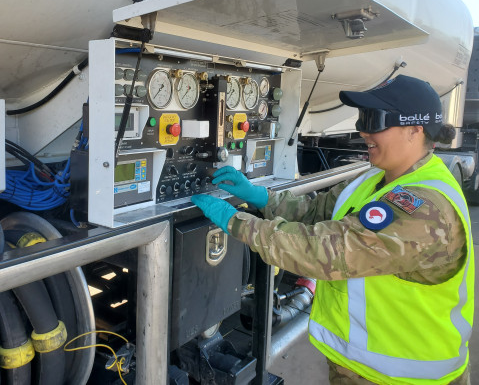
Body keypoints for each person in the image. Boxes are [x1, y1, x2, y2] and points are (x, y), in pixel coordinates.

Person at [191, 75, 474, 385]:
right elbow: (315, 212)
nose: (363, 130)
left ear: (414, 130)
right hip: (360, 369)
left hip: (405, 378)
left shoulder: (425, 208)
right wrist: (261, 197)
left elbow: (325, 253)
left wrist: (237, 222)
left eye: (374, 120)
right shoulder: (375, 180)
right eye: (362, 118)